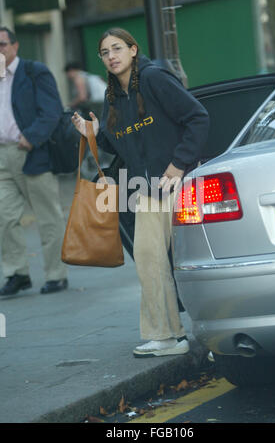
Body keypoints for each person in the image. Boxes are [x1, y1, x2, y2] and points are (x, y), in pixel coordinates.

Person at [71, 28, 209, 357]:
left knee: (196, 262)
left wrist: (177, 166)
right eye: (105, 52)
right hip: (146, 190)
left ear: (133, 50)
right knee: (149, 261)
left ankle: (215, 334)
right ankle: (167, 336)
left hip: (181, 183)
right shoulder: (112, 96)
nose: (111, 56)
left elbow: (197, 118)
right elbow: (118, 142)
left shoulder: (155, 79)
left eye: (117, 48)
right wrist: (93, 133)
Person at [0, 27, 68, 296]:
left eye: (2, 44)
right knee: (5, 218)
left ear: (15, 46)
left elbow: (51, 111)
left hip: (31, 152)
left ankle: (56, 274)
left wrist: (32, 137)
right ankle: (17, 273)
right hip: (2, 156)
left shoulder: (33, 71)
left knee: (47, 217)